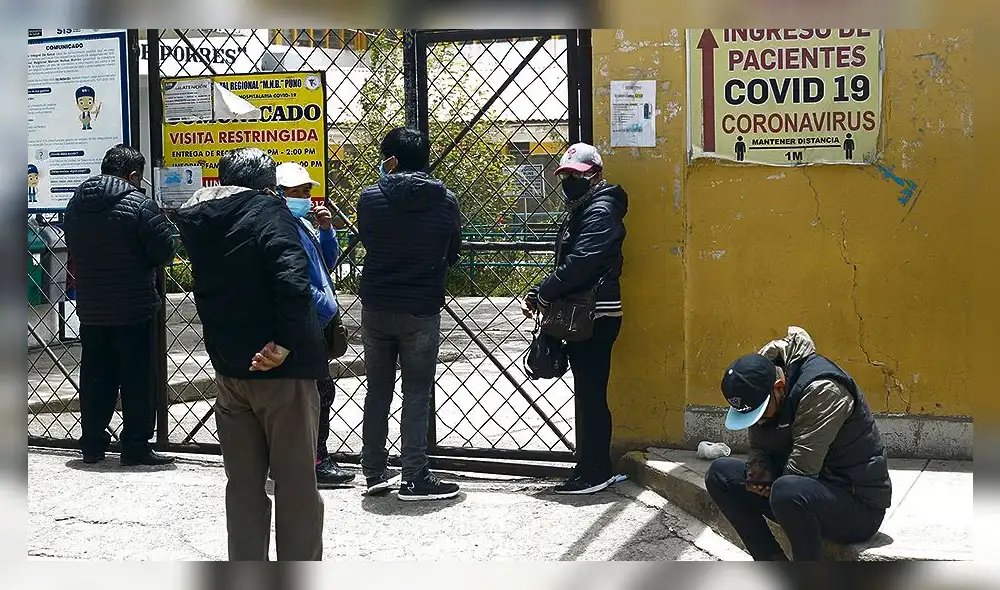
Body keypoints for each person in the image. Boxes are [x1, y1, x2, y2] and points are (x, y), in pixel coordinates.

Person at [173, 148, 327, 561]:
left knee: (243, 486)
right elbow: (293, 282)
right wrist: (285, 344)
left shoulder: (201, 220)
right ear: (267, 185)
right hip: (282, 371)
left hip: (231, 370)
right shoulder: (268, 212)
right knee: (296, 485)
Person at [704, 326, 892, 561]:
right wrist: (759, 469)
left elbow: (803, 470)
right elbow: (760, 446)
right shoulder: (760, 386)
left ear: (778, 388)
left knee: (787, 491)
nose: (759, 421)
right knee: (720, 474)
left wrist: (772, 482)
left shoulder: (822, 389)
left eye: (760, 414)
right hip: (805, 489)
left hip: (856, 505)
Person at [357, 127, 462, 501]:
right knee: (417, 390)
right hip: (421, 307)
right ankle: (415, 475)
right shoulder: (446, 201)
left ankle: (374, 471)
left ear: (392, 161)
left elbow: (370, 241)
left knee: (377, 389)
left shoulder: (370, 198)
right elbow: (453, 250)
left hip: (377, 305)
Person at [520, 142, 628, 495]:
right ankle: (589, 466)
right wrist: (544, 291)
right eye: (565, 174)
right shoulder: (584, 208)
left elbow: (581, 262)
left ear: (596, 174)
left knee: (591, 393)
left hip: (596, 314)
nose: (570, 181)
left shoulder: (601, 209)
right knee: (587, 391)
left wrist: (544, 293)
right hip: (583, 313)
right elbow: (572, 263)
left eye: (577, 174)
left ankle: (595, 471)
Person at [63, 144, 176, 466]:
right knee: (138, 380)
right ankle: (135, 446)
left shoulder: (76, 204)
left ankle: (92, 445)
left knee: (96, 378)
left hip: (92, 308)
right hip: (133, 308)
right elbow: (164, 251)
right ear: (134, 175)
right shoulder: (140, 205)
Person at [275, 161, 354, 486]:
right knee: (316, 391)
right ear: (280, 193)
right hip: (302, 320)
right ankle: (315, 460)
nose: (305, 198)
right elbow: (291, 280)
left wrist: (326, 230)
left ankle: (300, 457)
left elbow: (327, 261)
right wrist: (324, 304)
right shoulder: (280, 228)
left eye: (306, 191)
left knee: (314, 391)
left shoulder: (304, 225)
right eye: (297, 192)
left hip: (315, 321)